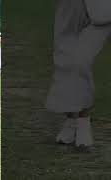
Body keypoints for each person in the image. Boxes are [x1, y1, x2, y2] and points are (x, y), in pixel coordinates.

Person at [46, 0, 111, 150]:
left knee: (80, 62)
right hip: (68, 7)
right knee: (64, 62)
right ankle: (71, 119)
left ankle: (83, 121)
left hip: (102, 10)